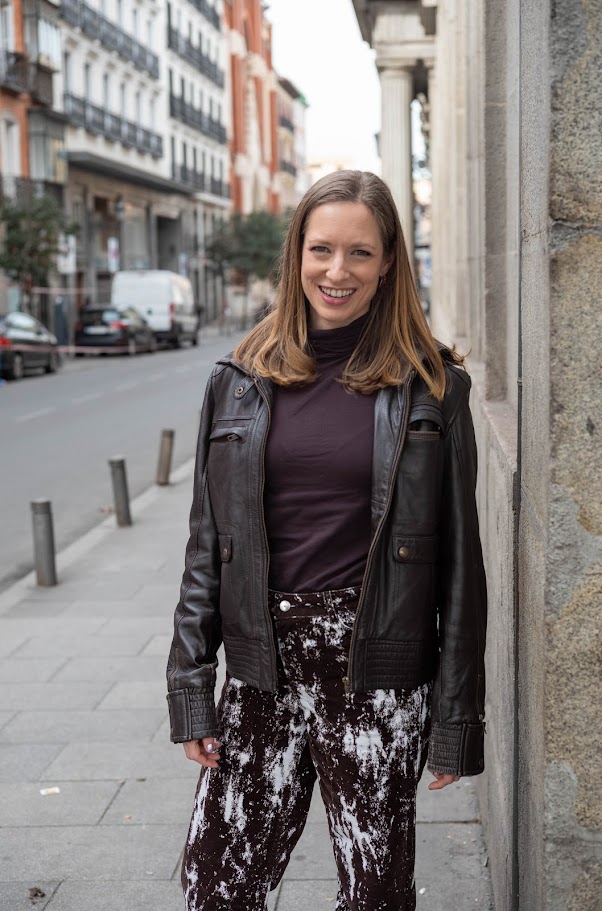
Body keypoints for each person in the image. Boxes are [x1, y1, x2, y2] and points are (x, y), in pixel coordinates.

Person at [166, 170, 487, 911]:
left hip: (377, 669)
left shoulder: (433, 387)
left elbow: (461, 568)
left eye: (360, 252)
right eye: (322, 250)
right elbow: (206, 545)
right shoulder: (237, 379)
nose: (337, 271)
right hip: (260, 665)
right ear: (297, 255)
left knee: (375, 892)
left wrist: (454, 719)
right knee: (218, 886)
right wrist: (191, 687)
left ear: (388, 263)